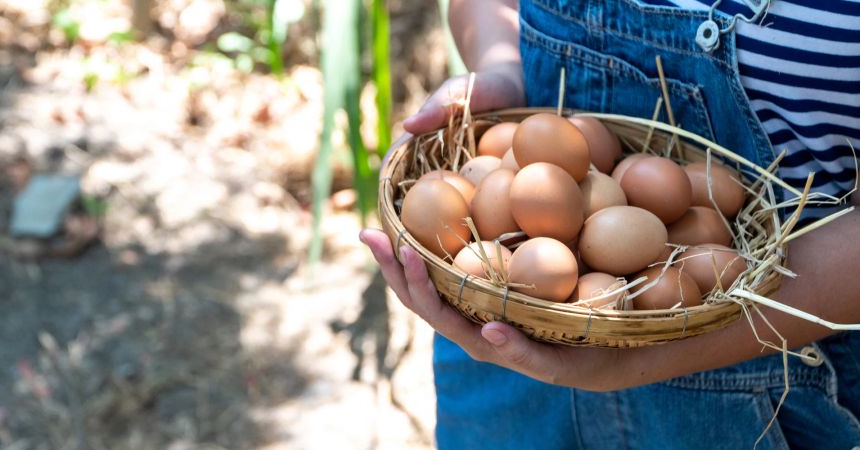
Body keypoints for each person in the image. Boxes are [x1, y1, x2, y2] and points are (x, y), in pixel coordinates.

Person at [361, 1, 860, 448]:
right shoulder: (544, 206)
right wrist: (503, 71)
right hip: (502, 346)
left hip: (761, 372)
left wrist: (639, 355)